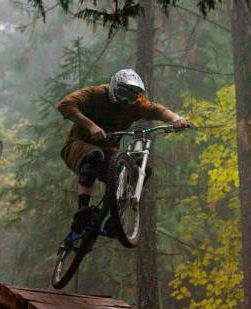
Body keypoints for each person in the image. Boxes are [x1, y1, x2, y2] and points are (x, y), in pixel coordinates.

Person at [58, 68, 188, 235]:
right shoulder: (96, 93)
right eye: (122, 94)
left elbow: (157, 110)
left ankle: (115, 216)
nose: (126, 101)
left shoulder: (136, 105)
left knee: (138, 171)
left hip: (109, 152)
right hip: (77, 146)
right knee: (95, 155)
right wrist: (91, 126)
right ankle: (82, 210)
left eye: (132, 97)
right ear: (113, 88)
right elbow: (65, 105)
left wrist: (175, 119)